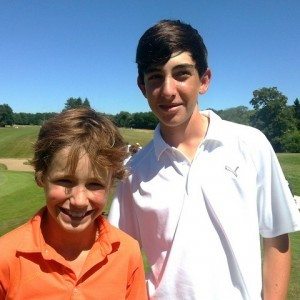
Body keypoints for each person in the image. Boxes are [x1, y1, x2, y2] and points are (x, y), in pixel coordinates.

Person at [108, 19, 300, 299]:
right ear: (143, 87)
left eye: (181, 74)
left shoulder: (251, 144)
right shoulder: (134, 171)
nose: (168, 90)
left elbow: (276, 239)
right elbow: (122, 260)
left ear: (204, 80)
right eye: (155, 77)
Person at [0, 108, 147, 299]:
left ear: (111, 184)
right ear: (41, 176)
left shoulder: (127, 252)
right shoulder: (6, 255)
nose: (79, 200)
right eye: (65, 181)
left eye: (95, 184)